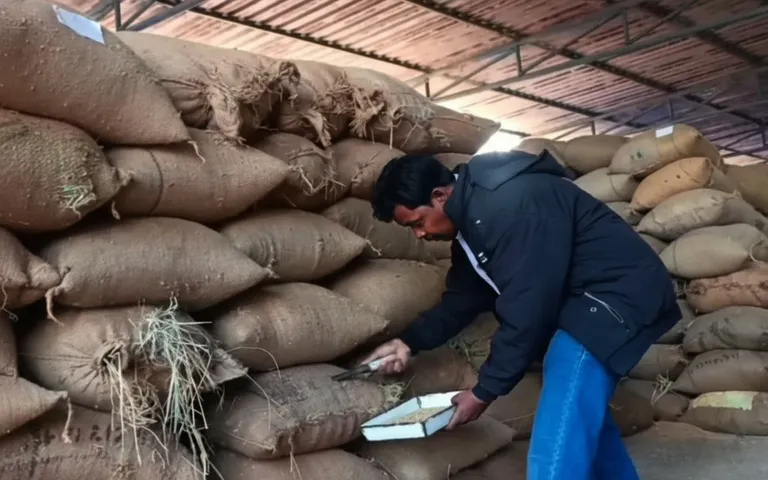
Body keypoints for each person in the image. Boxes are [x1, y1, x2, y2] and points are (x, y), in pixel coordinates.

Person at [360, 149, 681, 480]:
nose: (420, 235)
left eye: (418, 223)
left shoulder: (510, 205)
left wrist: (484, 391)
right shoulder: (474, 224)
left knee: (555, 441)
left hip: (615, 296)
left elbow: (527, 308)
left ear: (440, 196)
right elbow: (463, 299)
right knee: (583, 426)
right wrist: (408, 343)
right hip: (589, 303)